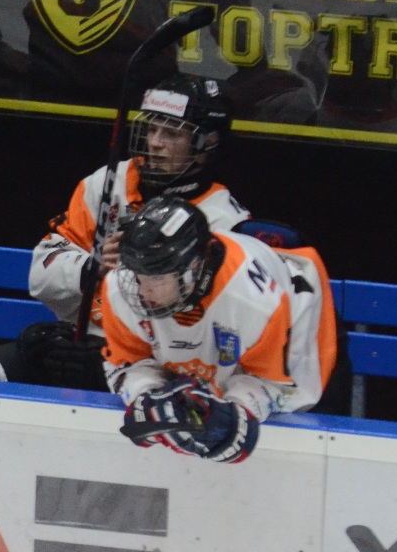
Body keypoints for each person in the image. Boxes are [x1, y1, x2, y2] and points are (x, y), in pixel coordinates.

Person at [0, 73, 251, 388]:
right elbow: (41, 272)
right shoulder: (109, 182)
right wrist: (91, 267)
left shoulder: (226, 223)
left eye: (171, 134)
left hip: (153, 366)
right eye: (152, 128)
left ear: (208, 142)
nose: (155, 142)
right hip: (80, 342)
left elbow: (215, 335)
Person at [103, 197, 337, 463]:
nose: (142, 292)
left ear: (193, 268)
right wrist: (147, 394)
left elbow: (271, 382)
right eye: (137, 276)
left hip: (296, 312)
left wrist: (238, 409)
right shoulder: (122, 288)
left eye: (156, 279)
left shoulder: (254, 302)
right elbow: (127, 362)